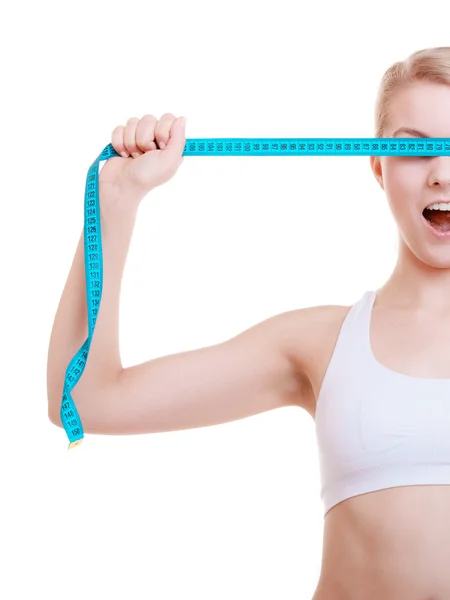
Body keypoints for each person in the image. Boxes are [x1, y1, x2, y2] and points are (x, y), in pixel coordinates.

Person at [46, 46, 450, 600]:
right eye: (412, 151)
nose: (442, 174)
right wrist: (115, 205)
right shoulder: (322, 343)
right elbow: (88, 399)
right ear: (375, 164)